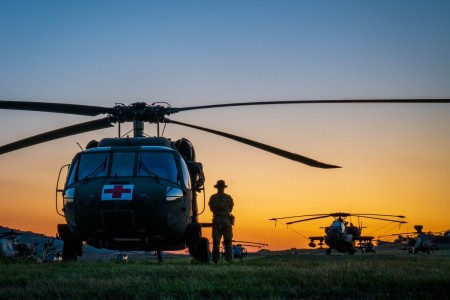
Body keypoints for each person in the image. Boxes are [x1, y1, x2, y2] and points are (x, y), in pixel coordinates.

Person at [208, 179, 234, 263]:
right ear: (223, 188)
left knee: (216, 241)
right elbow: (230, 209)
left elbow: (211, 209)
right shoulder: (228, 198)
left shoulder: (213, 197)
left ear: (217, 187)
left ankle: (216, 259)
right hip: (226, 220)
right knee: (228, 241)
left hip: (217, 220)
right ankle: (229, 259)